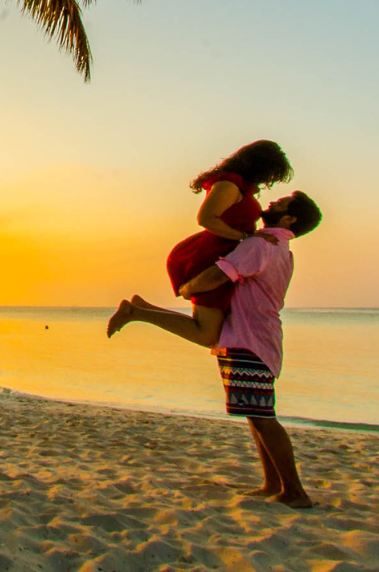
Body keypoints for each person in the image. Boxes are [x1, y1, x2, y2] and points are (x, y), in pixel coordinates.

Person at [110, 191, 323, 508]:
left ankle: (295, 491)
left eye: (283, 203)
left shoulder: (261, 245)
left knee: (263, 417)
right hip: (254, 338)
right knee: (256, 414)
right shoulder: (279, 248)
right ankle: (273, 483)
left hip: (248, 340)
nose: (274, 202)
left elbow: (216, 275)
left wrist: (187, 288)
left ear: (290, 218)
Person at [107, 139, 293, 345]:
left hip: (226, 255)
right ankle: (135, 312)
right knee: (206, 334)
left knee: (208, 328)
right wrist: (245, 237)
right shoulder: (228, 185)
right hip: (212, 256)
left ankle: (140, 308)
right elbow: (205, 219)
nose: (268, 179)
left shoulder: (240, 187)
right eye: (270, 173)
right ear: (258, 165)